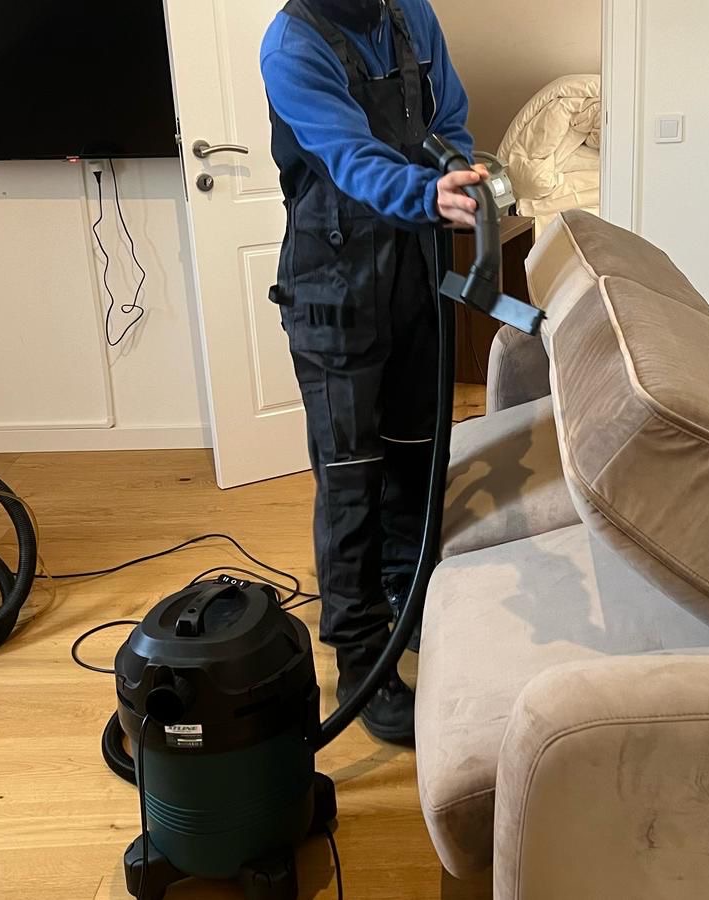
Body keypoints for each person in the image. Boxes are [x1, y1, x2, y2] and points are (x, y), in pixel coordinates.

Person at [261, 0, 488, 745]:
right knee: (352, 477)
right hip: (336, 288)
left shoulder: (410, 14)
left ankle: (407, 597)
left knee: (418, 454)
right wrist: (426, 195)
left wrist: (455, 169)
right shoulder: (292, 46)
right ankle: (360, 657)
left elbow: (448, 115)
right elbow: (352, 158)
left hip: (414, 274)